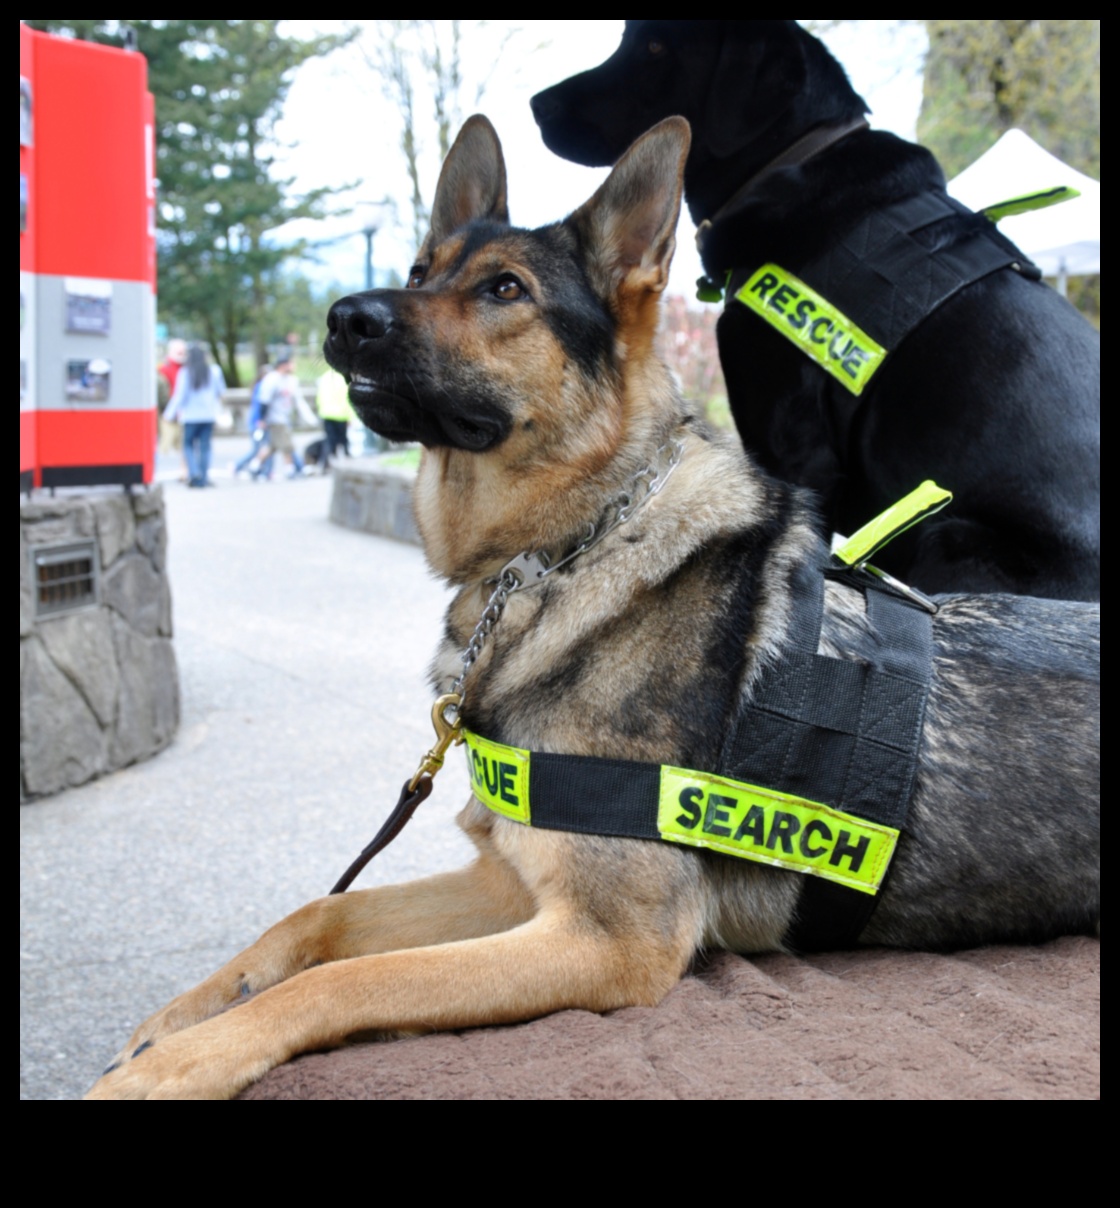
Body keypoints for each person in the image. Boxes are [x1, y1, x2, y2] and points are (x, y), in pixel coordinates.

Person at [163, 344, 225, 488]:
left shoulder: (185, 372)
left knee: (188, 445)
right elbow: (220, 391)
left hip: (190, 416)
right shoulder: (214, 371)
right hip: (208, 415)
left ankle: (194, 471)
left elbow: (179, 396)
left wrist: (169, 414)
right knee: (205, 447)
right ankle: (203, 477)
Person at [249, 356, 315, 480]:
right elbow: (264, 401)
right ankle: (290, 470)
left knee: (272, 446)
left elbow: (298, 401)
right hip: (275, 418)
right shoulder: (272, 379)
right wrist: (262, 419)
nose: (294, 366)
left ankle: (254, 466)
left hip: (284, 417)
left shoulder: (291, 380)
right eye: (291, 363)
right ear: (283, 365)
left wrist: (310, 418)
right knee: (287, 445)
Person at [157, 338, 189, 481]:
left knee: (185, 445)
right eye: (179, 351)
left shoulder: (188, 369)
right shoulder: (163, 370)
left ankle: (184, 471)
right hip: (167, 412)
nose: (182, 354)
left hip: (184, 412)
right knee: (164, 444)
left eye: (183, 351)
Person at [315, 367, 357, 471]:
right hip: (341, 415)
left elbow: (319, 396)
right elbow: (348, 398)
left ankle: (327, 464)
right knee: (344, 440)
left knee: (330, 440)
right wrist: (350, 416)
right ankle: (349, 465)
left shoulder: (324, 377)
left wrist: (321, 410)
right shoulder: (344, 378)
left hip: (326, 413)